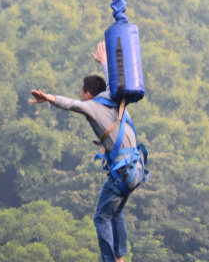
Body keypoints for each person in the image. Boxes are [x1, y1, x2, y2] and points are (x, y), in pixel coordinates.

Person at [30, 42, 146, 262]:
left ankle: (110, 260)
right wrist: (104, 63)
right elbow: (113, 80)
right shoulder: (113, 96)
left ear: (88, 94)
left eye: (81, 91)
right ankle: (120, 257)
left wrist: (48, 98)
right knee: (116, 212)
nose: (79, 94)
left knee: (101, 217)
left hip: (123, 173)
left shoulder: (92, 107)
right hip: (136, 169)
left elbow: (72, 105)